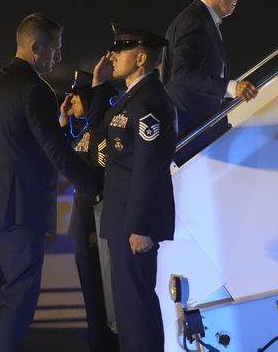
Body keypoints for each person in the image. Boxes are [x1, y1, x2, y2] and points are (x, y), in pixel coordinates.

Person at [0, 13, 102, 352]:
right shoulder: (36, 90)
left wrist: (63, 125)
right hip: (19, 214)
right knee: (19, 300)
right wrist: (96, 185)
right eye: (55, 48)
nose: (58, 54)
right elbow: (55, 152)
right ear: (36, 47)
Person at [98, 23, 177, 352]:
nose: (113, 56)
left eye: (121, 50)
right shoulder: (131, 99)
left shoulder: (150, 102)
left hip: (134, 225)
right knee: (128, 310)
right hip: (121, 220)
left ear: (141, 57)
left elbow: (149, 167)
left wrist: (141, 226)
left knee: (137, 309)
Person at [162, 0, 257, 164]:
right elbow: (182, 75)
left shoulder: (201, 19)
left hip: (204, 135)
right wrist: (232, 87)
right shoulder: (193, 21)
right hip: (195, 139)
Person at [59, 66, 119, 352]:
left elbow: (101, 178)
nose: (70, 102)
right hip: (82, 228)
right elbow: (68, 154)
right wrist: (62, 122)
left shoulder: (103, 129)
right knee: (92, 304)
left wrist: (97, 228)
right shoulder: (85, 129)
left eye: (75, 97)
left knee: (105, 304)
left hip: (96, 230)